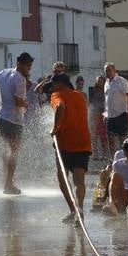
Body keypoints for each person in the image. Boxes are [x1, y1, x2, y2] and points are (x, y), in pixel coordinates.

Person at [0, 53, 33, 194]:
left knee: (7, 149)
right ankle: (9, 184)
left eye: (30, 66)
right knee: (14, 152)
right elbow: (18, 101)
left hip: (1, 117)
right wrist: (26, 104)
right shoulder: (20, 80)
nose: (29, 69)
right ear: (20, 64)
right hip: (13, 120)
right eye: (28, 66)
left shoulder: (5, 72)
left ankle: (6, 181)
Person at [49, 72, 92, 223]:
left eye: (53, 84)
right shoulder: (80, 96)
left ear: (60, 84)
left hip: (65, 144)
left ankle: (73, 210)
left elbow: (60, 108)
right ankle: (80, 210)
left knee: (63, 178)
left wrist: (55, 128)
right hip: (83, 143)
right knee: (79, 181)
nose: (52, 87)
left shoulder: (56, 95)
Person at [101, 63, 128, 155]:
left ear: (114, 70)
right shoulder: (106, 83)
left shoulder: (122, 81)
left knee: (122, 138)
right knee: (110, 138)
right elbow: (106, 99)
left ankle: (124, 157)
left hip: (121, 114)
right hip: (109, 115)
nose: (107, 72)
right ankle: (113, 159)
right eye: (106, 71)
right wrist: (105, 114)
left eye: (109, 70)